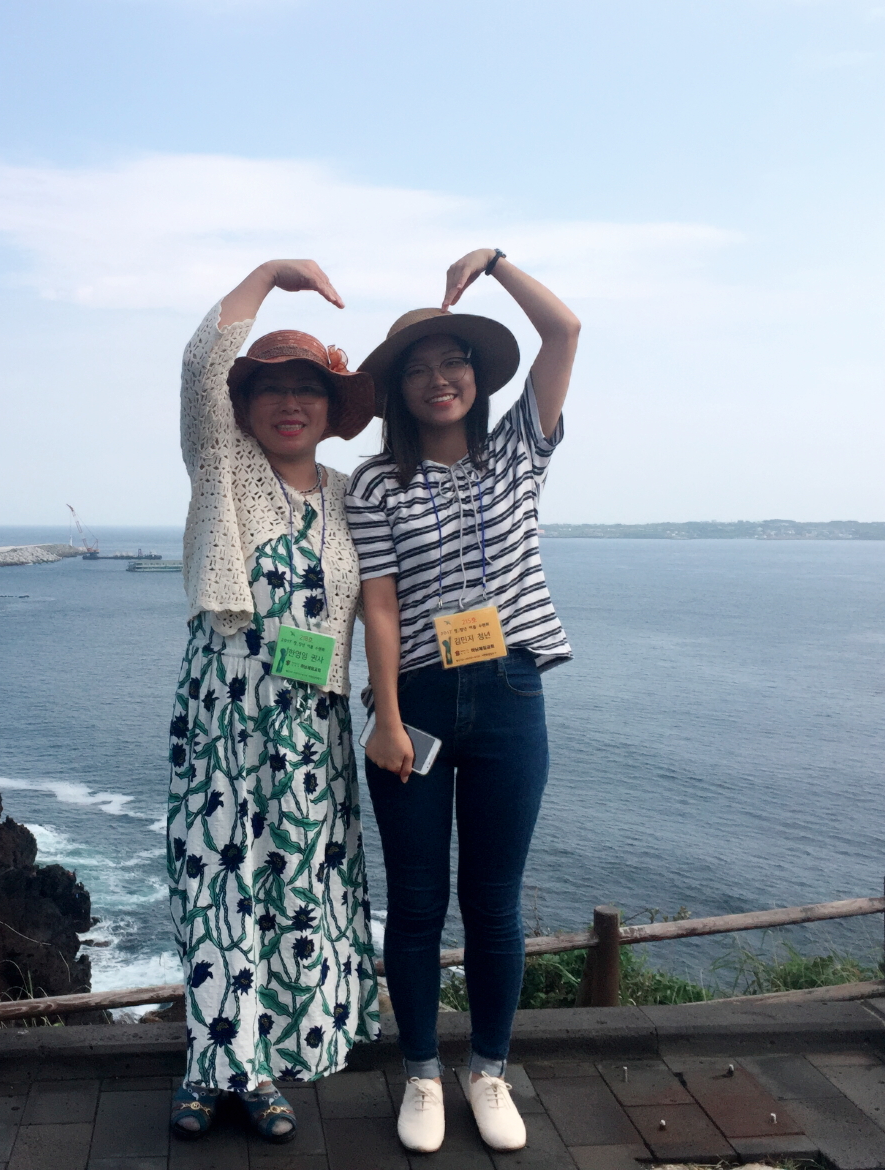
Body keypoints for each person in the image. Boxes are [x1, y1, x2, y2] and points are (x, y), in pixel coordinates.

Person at [345, 246, 580, 1154]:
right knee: (414, 901)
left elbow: (564, 330)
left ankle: (486, 1068)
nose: (439, 379)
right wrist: (387, 718)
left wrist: (496, 263)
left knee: (493, 900)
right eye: (419, 369)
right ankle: (419, 1073)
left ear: (477, 376)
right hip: (419, 698)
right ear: (398, 390)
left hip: (513, 688)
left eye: (454, 363)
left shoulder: (518, 448)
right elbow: (380, 605)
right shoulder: (377, 483)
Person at [167, 259, 382, 1144]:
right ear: (246, 405)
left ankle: (291, 1046)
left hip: (314, 723)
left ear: (332, 410)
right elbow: (201, 364)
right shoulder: (224, 466)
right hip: (226, 707)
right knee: (218, 879)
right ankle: (222, 1067)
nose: (290, 404)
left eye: (309, 389)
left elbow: (382, 604)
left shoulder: (349, 496)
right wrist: (270, 275)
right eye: (272, 389)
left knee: (301, 884)